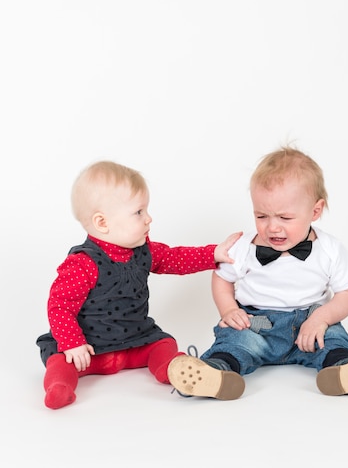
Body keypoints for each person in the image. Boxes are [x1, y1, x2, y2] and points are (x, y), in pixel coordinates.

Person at [168, 146, 348, 399]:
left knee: (332, 338)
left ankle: (344, 370)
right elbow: (222, 278)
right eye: (261, 215)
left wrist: (322, 318)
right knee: (236, 342)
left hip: (311, 324)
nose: (272, 227)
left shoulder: (329, 249)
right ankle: (216, 373)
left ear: (315, 211)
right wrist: (229, 311)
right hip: (255, 324)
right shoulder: (243, 247)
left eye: (285, 217)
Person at [36, 160, 241, 409]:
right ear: (102, 223)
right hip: (88, 350)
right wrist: (72, 343)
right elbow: (59, 306)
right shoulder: (82, 263)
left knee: (164, 344)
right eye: (139, 212)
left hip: (136, 341)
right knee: (60, 360)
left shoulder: (143, 251)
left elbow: (175, 258)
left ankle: (174, 370)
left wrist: (213, 254)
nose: (149, 219)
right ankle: (59, 387)